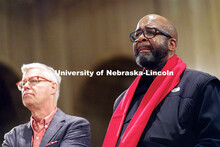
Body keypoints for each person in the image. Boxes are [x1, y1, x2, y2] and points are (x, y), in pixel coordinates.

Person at [103, 14, 220, 147]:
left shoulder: (201, 85)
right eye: (137, 35)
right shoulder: (123, 100)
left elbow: (213, 141)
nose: (140, 38)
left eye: (150, 32)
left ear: (171, 44)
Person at [2, 63, 90, 147]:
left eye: (33, 80)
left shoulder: (75, 125)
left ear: (53, 87)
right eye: (23, 83)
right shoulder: (13, 135)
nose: (25, 86)